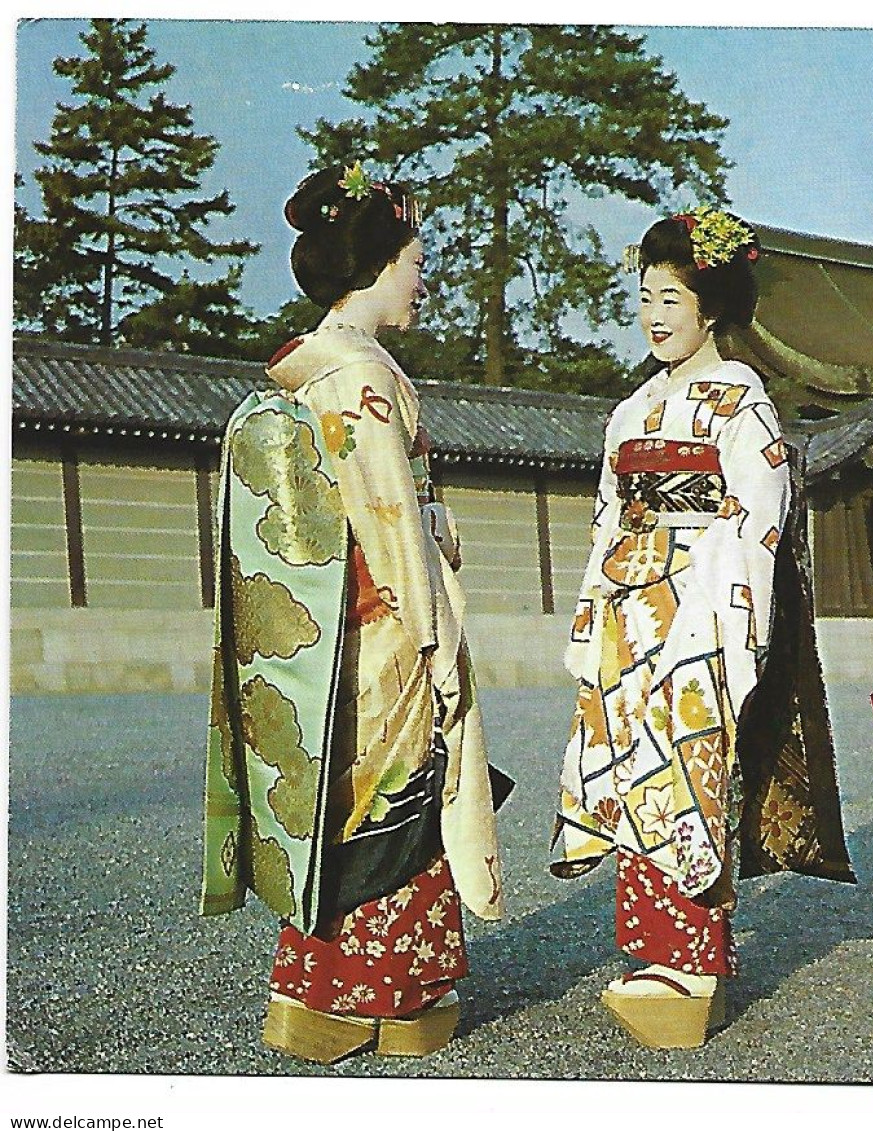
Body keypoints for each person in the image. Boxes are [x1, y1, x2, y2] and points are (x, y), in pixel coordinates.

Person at [201, 163, 508, 1064]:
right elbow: (386, 524)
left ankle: (313, 992)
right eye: (416, 259)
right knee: (402, 803)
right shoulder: (365, 381)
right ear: (379, 264)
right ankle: (388, 1000)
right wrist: (435, 641)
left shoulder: (309, 372)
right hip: (384, 639)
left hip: (326, 641)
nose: (423, 278)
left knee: (334, 804)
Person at [552, 207, 855, 1049]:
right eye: (645, 297)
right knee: (630, 768)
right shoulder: (631, 409)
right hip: (627, 610)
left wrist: (726, 624)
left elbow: (759, 516)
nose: (653, 316)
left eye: (671, 300)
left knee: (683, 771)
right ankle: (655, 953)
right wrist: (594, 614)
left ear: (711, 306)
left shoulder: (741, 401)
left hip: (700, 602)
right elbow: (609, 516)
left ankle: (690, 961)